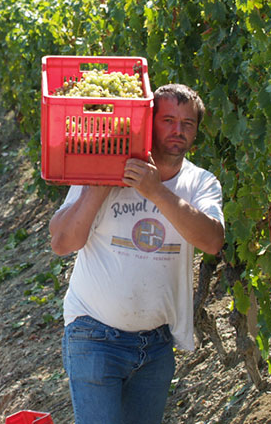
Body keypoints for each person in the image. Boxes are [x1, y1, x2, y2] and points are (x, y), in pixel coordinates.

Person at [49, 84, 225, 424]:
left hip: (156, 346)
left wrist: (155, 191)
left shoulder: (202, 183)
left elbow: (212, 241)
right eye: (168, 120)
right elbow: (62, 243)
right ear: (147, 122)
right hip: (94, 335)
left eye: (187, 123)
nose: (178, 130)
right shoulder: (103, 168)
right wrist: (97, 188)